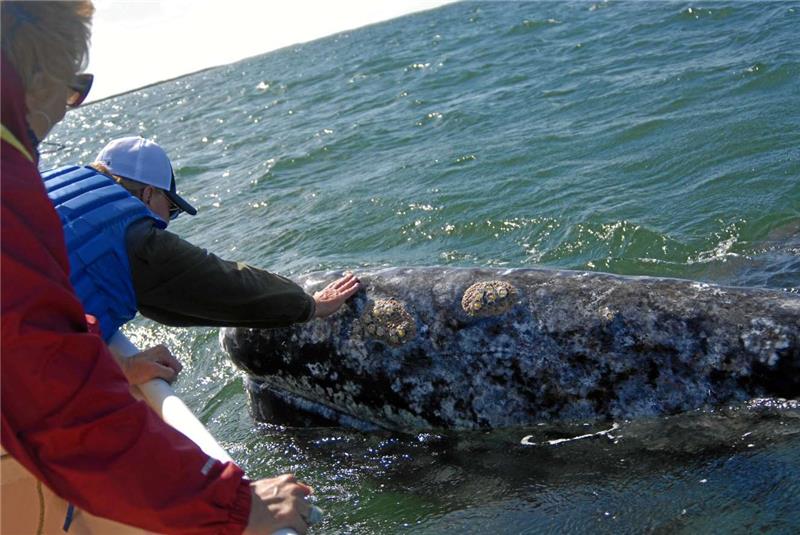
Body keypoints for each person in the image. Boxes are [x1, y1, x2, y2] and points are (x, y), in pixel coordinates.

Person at [1, 2, 313, 533]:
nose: (67, 109)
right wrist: (233, 507)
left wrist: (115, 367)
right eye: (71, 87)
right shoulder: (110, 224)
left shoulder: (41, 182)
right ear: (31, 74)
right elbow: (46, 390)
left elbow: (29, 324)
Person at [42, 136, 361, 363]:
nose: (168, 221)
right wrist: (309, 306)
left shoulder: (51, 181)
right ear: (148, 195)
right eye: (171, 208)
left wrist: (122, 368)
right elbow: (222, 283)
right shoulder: (132, 235)